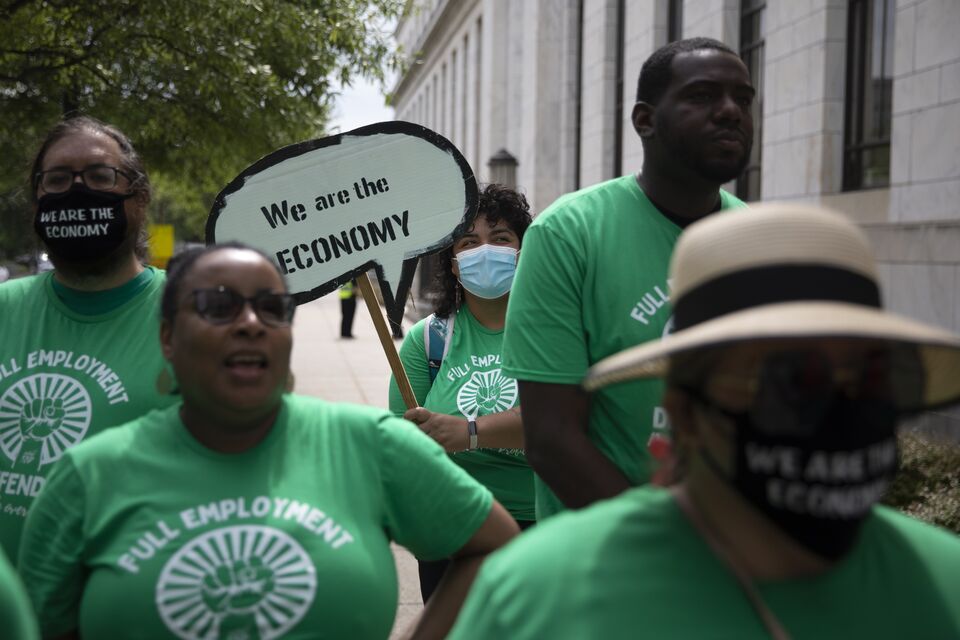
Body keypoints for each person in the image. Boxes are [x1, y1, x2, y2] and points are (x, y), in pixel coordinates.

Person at [451, 204, 960, 638]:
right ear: (686, 413)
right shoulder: (539, 600)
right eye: (790, 380)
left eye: (871, 377)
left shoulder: (946, 583)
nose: (838, 405)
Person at [18, 243, 519, 639]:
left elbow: (493, 546)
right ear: (168, 337)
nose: (250, 324)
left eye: (272, 308)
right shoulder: (86, 477)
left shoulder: (370, 444)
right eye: (218, 306)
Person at [502, 37, 755, 519]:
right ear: (645, 120)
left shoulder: (759, 239)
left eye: (743, 99)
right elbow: (551, 439)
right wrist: (672, 542)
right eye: (703, 96)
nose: (730, 111)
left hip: (738, 557)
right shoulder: (566, 234)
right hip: (605, 564)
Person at [0, 116, 176, 560]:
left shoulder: (193, 317)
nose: (77, 191)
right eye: (57, 179)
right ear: (37, 198)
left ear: (138, 196)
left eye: (100, 176)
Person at [389, 184, 534, 602]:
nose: (484, 251)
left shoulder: (558, 332)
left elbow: (562, 419)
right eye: (469, 242)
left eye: (501, 238)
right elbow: (402, 443)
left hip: (542, 527)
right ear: (453, 264)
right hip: (451, 530)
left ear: (524, 250)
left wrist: (470, 432)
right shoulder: (428, 340)